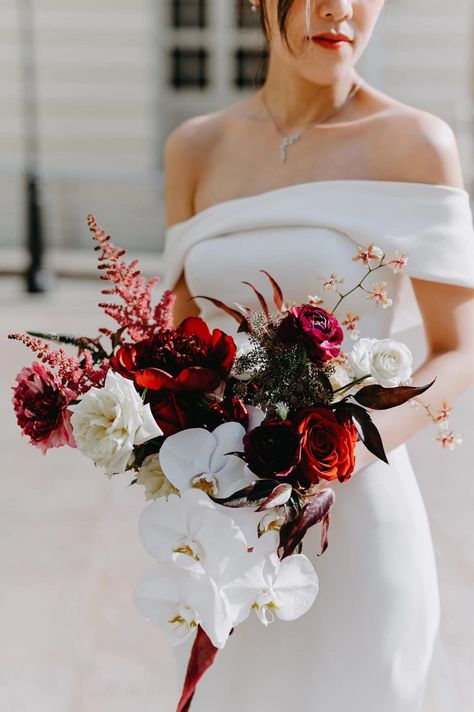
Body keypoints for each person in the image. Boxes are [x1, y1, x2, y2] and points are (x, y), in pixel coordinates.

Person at [160, 1, 474, 710]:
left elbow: (460, 351)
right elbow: (185, 353)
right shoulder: (194, 148)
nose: (340, 9)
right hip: (229, 526)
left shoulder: (415, 144)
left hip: (358, 519)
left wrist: (334, 455)